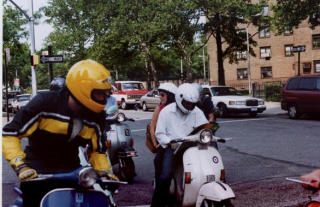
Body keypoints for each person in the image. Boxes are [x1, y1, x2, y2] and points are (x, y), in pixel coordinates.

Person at [2, 59, 117, 207]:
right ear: (84, 89)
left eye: (107, 94)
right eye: (101, 94)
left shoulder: (97, 117)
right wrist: (20, 165)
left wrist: (103, 171)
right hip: (38, 173)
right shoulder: (44, 103)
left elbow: (98, 150)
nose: (105, 99)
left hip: (73, 173)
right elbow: (10, 133)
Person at [151, 83, 208, 207]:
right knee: (165, 176)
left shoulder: (197, 112)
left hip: (192, 147)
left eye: (193, 104)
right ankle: (157, 204)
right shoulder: (166, 112)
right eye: (187, 103)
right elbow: (159, 133)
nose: (190, 106)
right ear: (179, 99)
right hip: (171, 148)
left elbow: (204, 127)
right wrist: (170, 142)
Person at [150, 82, 178, 149]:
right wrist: (155, 144)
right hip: (164, 143)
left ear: (170, 96)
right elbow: (152, 127)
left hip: (178, 142)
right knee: (160, 159)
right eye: (159, 95)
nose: (160, 97)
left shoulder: (178, 108)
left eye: (162, 95)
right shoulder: (159, 108)